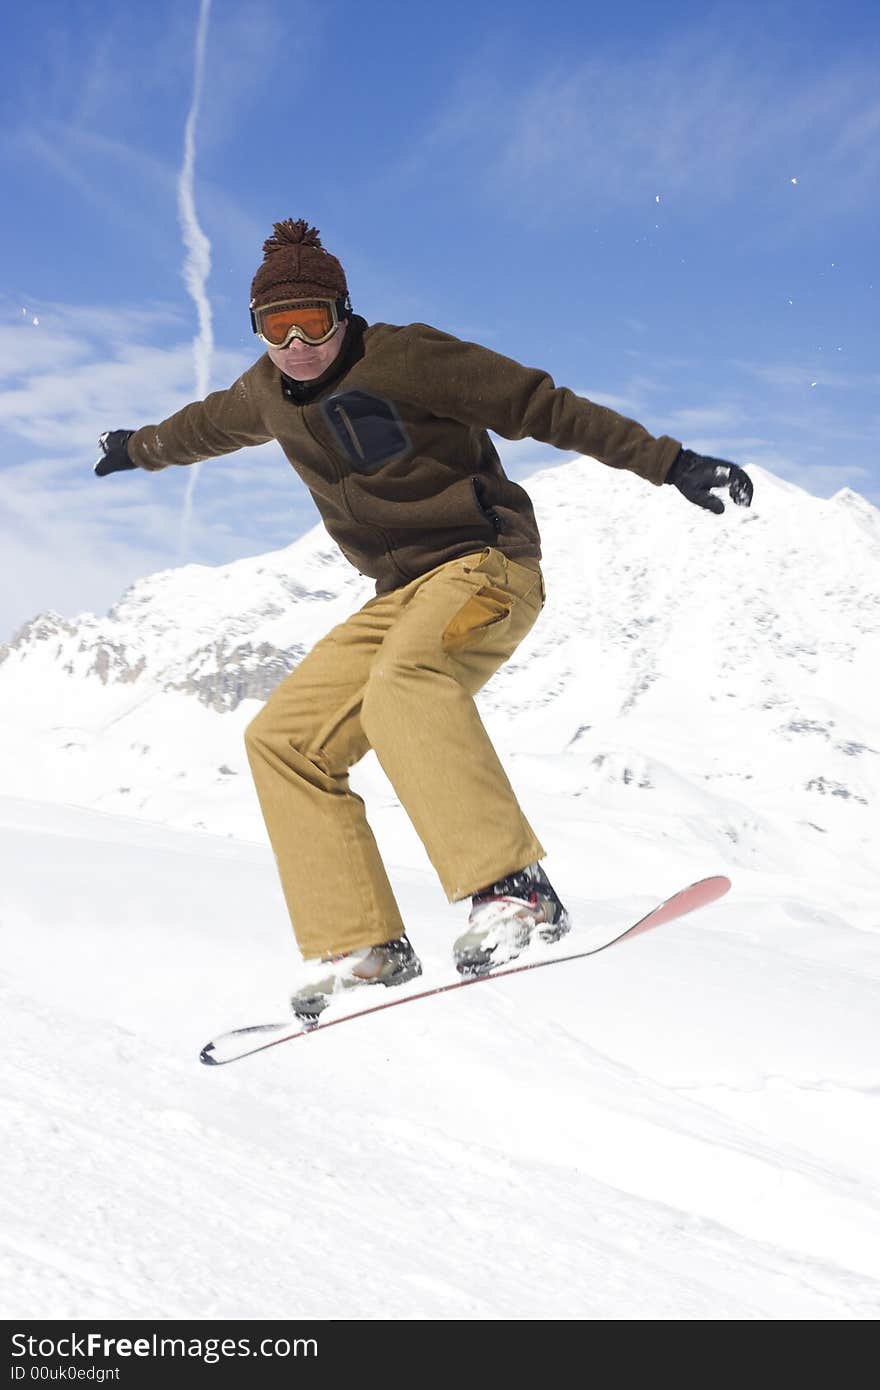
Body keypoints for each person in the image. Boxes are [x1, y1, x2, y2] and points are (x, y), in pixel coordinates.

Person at [95, 217, 753, 1024]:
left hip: (486, 564)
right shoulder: (264, 391)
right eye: (276, 326)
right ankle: (365, 944)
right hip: (395, 593)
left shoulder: (408, 358)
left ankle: (516, 893)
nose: (297, 343)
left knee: (404, 685)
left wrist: (670, 462)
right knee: (282, 740)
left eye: (314, 322)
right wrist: (138, 447)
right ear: (257, 329)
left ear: (344, 314)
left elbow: (541, 405)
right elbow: (202, 426)